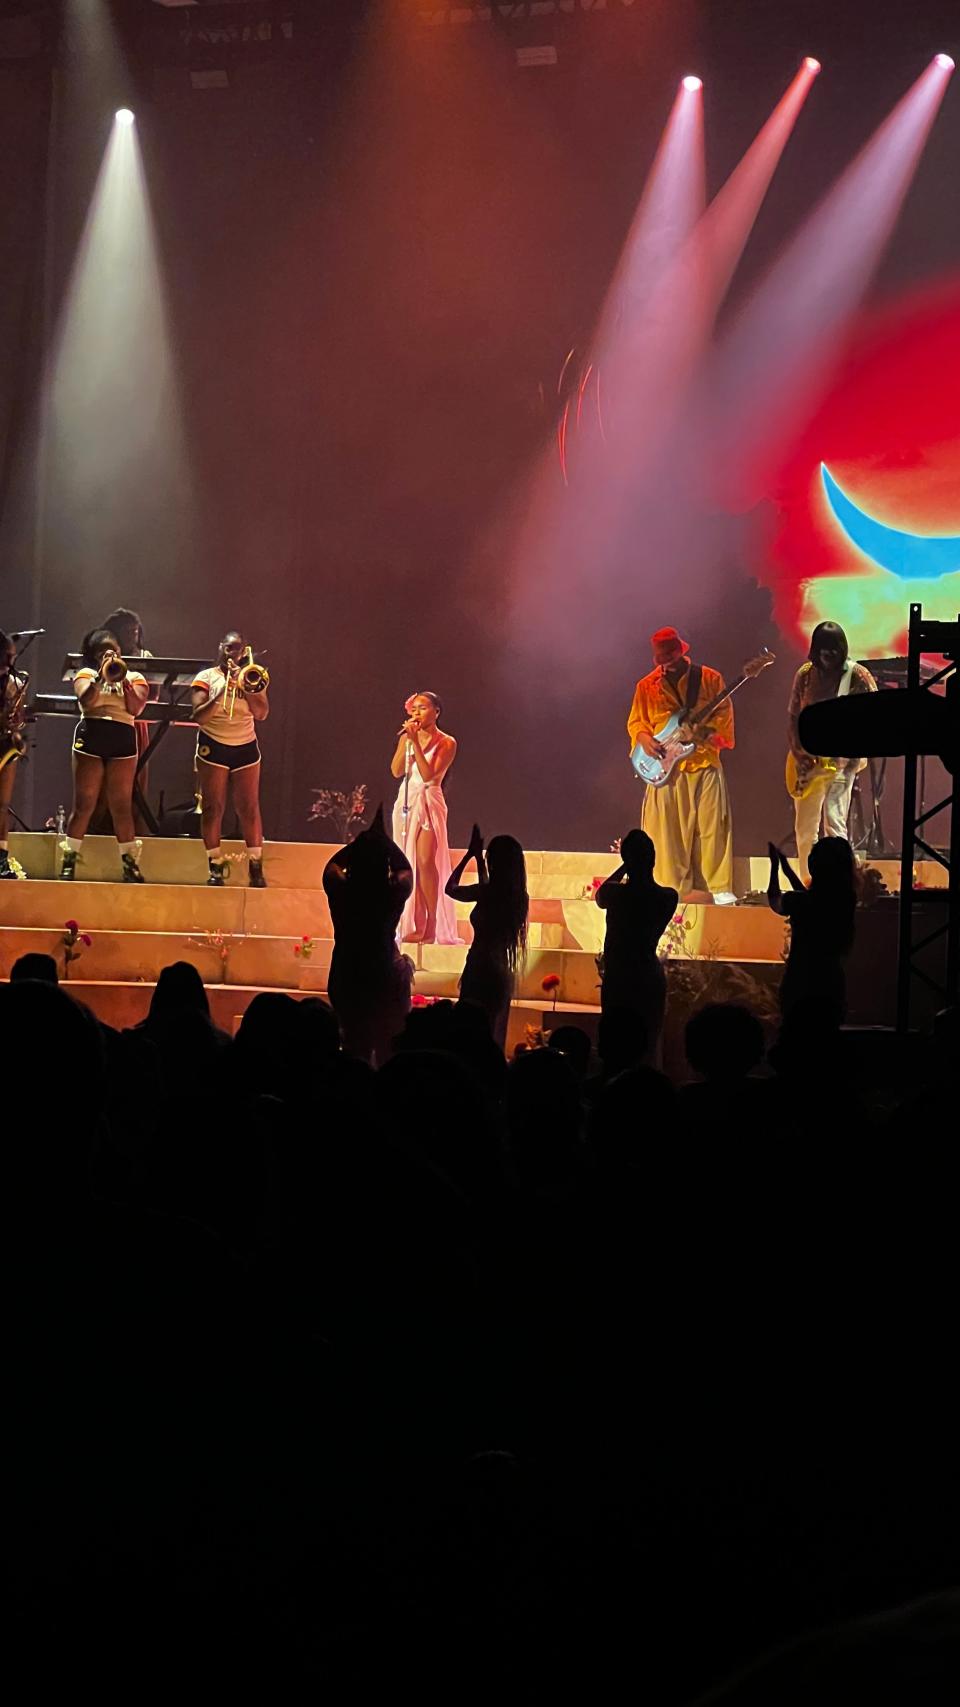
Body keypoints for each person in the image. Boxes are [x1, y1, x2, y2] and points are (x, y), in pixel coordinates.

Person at [627, 626, 737, 904]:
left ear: (681, 650)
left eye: (671, 654)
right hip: (665, 768)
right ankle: (668, 887)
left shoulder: (710, 679)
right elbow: (636, 722)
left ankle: (718, 886)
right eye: (661, 657)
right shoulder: (646, 686)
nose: (666, 660)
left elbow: (724, 723)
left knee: (712, 826)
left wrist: (702, 734)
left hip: (703, 762)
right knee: (666, 832)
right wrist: (644, 739)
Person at [786, 621, 877, 882]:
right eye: (824, 650)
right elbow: (793, 716)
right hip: (807, 762)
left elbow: (875, 719)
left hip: (841, 763)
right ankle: (807, 883)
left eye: (834, 649)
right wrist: (798, 752)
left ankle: (839, 885)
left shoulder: (857, 676)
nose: (829, 655)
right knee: (805, 829)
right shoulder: (805, 674)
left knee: (835, 824)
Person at [323, 805, 414, 1065]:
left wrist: (359, 844)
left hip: (346, 973)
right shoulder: (392, 894)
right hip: (383, 975)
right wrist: (383, 840)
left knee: (352, 1045)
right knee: (388, 1049)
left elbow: (331, 866)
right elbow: (406, 869)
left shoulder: (341, 891)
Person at [61, 629, 149, 881]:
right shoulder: (86, 674)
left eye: (115, 651)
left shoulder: (134, 676)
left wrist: (123, 681)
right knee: (84, 804)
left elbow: (136, 707)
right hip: (93, 734)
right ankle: (69, 860)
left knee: (121, 805)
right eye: (103, 652)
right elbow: (87, 701)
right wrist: (101, 678)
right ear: (94, 656)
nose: (110, 656)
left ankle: (130, 865)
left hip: (122, 737)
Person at [192, 632, 269, 887]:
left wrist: (244, 686)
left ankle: (255, 866)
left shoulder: (252, 676)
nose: (231, 653)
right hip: (213, 745)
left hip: (245, 746)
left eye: (237, 649)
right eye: (228, 648)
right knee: (213, 807)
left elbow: (262, 713)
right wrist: (224, 689)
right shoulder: (206, 678)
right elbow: (200, 716)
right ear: (220, 647)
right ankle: (215, 865)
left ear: (244, 652)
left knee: (248, 807)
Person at [596, 828, 678, 1060]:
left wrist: (626, 865)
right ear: (653, 858)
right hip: (646, 974)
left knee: (616, 1045)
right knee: (649, 1044)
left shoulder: (616, 894)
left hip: (620, 974)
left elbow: (601, 896)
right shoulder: (667, 897)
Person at [446, 824, 528, 1050]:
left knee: (469, 1032)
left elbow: (451, 888)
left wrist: (469, 857)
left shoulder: (487, 892)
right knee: (493, 1033)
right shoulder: (520, 897)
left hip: (479, 966)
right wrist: (480, 862)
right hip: (502, 970)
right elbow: (489, 889)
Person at [390, 690, 459, 944]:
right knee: (408, 861)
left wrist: (416, 744)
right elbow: (397, 771)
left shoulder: (447, 742)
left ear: (436, 711)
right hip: (407, 801)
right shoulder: (408, 739)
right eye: (414, 708)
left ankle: (433, 922)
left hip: (429, 799)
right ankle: (414, 922)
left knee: (425, 859)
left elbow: (430, 775)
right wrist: (406, 743)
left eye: (423, 708)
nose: (417, 713)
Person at [767, 835, 857, 1022]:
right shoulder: (846, 901)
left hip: (800, 981)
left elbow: (776, 901)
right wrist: (788, 872)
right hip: (831, 982)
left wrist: (775, 868)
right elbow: (811, 899)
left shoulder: (802, 902)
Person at [0, 630, 28, 879]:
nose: (10, 663)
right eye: (6, 656)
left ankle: (0, 859)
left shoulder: (14, 682)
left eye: (12, 657)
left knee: (2, 806)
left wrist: (17, 722)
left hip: (4, 744)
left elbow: (18, 720)